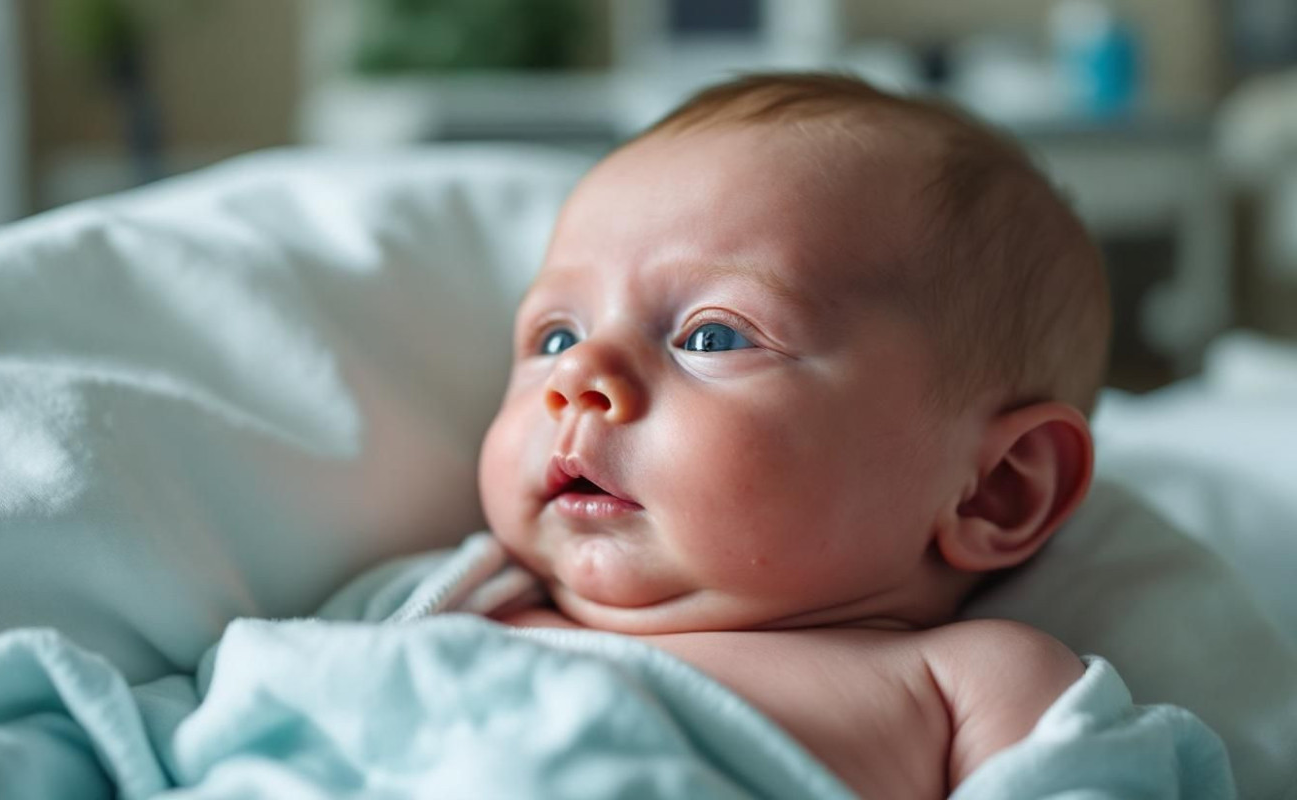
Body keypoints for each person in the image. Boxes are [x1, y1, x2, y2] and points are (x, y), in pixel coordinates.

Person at [476, 72, 1112, 798]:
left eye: (711, 336)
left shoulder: (967, 686)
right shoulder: (468, 605)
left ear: (994, 491)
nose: (578, 376)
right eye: (557, 336)